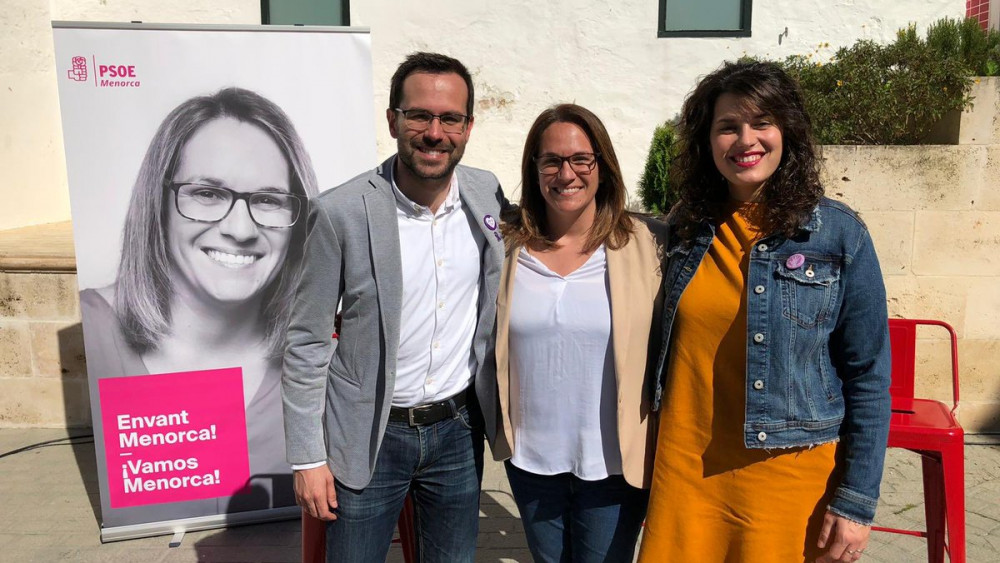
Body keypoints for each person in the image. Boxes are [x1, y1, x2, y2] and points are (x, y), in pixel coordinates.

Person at [637, 60, 892, 563]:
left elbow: (868, 376)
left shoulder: (839, 235)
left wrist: (857, 502)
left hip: (791, 476)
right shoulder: (684, 231)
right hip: (686, 473)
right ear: (706, 141)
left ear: (787, 133)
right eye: (727, 126)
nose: (744, 139)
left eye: (761, 123)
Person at [282, 52, 506, 562]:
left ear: (468, 127)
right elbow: (306, 340)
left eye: (450, 118)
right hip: (369, 439)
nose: (435, 132)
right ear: (393, 121)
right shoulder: (340, 212)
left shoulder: (486, 193)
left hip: (458, 431)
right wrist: (307, 458)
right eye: (419, 116)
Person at [80, 87, 319, 519]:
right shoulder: (96, 332)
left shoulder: (320, 352)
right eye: (208, 193)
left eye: (267, 200)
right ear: (159, 202)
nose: (240, 229)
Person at [493, 104, 664, 562]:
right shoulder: (506, 247)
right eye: (551, 160)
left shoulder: (648, 245)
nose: (566, 173)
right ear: (534, 169)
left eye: (580, 159)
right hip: (530, 460)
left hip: (613, 463)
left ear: (602, 166)